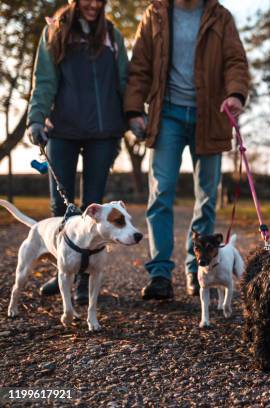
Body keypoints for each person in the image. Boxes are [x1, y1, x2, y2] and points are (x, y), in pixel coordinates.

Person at [124, 0, 249, 300]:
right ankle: (160, 275)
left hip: (210, 115)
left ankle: (198, 270)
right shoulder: (154, 14)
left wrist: (235, 94)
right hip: (166, 114)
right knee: (161, 193)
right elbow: (140, 65)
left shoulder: (221, 16)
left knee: (206, 198)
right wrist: (133, 109)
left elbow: (235, 61)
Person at [26, 0, 128, 305]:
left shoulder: (112, 35)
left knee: (96, 204)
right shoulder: (55, 31)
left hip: (104, 130)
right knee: (62, 205)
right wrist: (35, 117)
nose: (94, 4)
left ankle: (86, 278)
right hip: (62, 129)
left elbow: (125, 79)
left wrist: (133, 114)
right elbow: (44, 79)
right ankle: (65, 269)